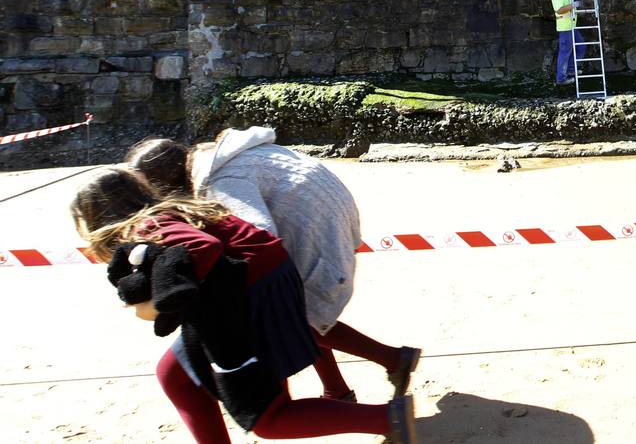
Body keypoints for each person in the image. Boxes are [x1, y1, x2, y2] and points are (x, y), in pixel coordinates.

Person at [71, 168, 416, 444]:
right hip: (257, 286)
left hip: (252, 298)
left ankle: (388, 418)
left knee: (268, 417)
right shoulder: (171, 212)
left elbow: (203, 249)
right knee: (174, 374)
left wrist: (166, 302)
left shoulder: (148, 225)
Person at [126, 131, 421, 404]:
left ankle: (393, 360)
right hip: (324, 215)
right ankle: (341, 388)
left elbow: (258, 236)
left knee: (290, 316)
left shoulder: (221, 180)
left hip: (314, 228)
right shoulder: (220, 157)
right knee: (304, 311)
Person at [548, 0, 586, 87]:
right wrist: (573, 5)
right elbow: (559, 10)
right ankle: (561, 79)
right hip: (565, 28)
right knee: (565, 53)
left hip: (572, 26)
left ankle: (570, 69)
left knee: (581, 46)